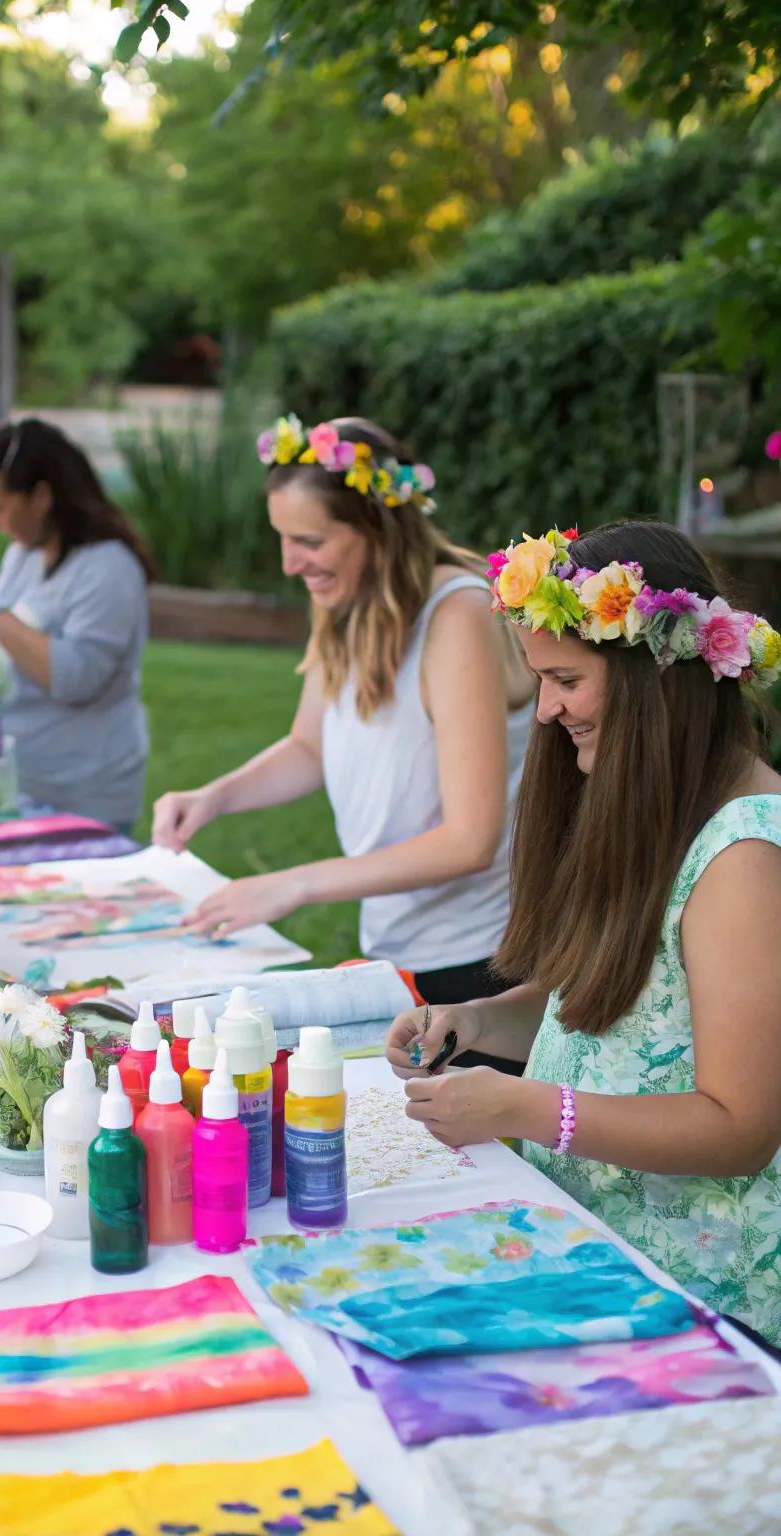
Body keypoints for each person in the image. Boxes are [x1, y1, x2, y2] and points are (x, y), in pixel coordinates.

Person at [386, 519, 781, 1347]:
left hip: (708, 1303)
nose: (547, 711)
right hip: (603, 1253)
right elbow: (626, 1005)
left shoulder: (745, 854)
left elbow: (741, 1127)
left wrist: (531, 1108)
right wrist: (481, 1022)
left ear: (651, 677)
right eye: (540, 680)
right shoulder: (661, 798)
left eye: (566, 678)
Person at [153, 415, 535, 1067]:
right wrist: (215, 797)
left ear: (376, 530)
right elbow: (310, 746)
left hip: (477, 968)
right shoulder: (347, 598)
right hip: (398, 951)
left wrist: (292, 885)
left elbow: (472, 841)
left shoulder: (458, 617)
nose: (288, 562)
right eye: (282, 538)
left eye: (308, 540)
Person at [0, 417, 153, 831]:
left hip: (85, 796)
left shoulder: (110, 568)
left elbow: (77, 679)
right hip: (18, 788)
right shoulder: (23, 556)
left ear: (42, 496)